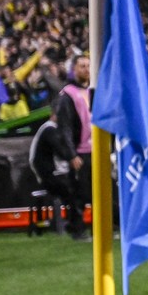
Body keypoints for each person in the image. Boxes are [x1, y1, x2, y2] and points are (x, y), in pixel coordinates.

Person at [29, 112, 88, 240]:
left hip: (46, 175)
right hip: (48, 176)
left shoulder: (46, 129)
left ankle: (74, 226)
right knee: (75, 195)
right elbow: (60, 149)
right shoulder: (50, 129)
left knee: (75, 192)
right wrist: (72, 158)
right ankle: (77, 231)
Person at [54, 55, 92, 238]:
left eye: (88, 66)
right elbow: (65, 127)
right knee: (79, 193)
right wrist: (71, 154)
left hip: (95, 150)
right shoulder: (68, 94)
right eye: (82, 66)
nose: (86, 69)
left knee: (99, 191)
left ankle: (104, 226)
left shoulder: (92, 91)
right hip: (79, 152)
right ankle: (77, 229)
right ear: (74, 69)